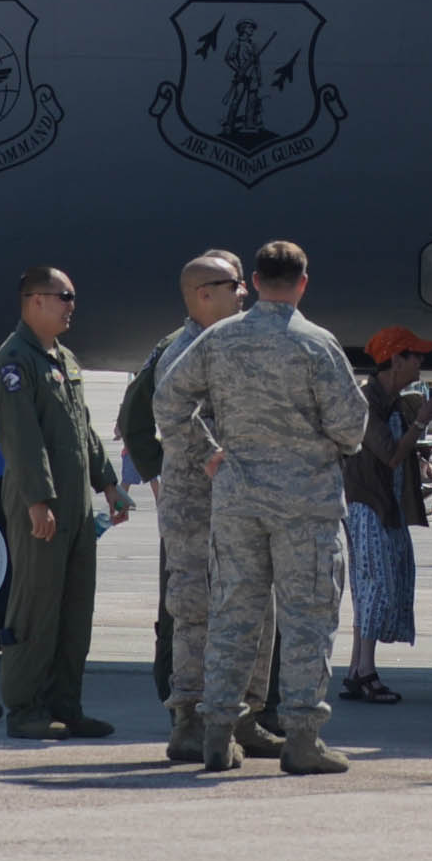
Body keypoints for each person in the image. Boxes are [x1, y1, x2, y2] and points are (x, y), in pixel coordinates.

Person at [169, 239, 370, 778]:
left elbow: (169, 400)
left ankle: (216, 733)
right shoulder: (316, 344)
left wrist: (209, 452)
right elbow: (351, 426)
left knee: (233, 613)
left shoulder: (217, 340)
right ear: (303, 283)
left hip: (237, 501)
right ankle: (302, 738)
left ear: (254, 281)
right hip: (304, 506)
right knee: (307, 619)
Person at [118, 251, 248, 762]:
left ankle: (238, 717)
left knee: (236, 611)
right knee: (195, 615)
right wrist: (163, 477)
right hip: (197, 506)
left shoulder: (225, 342)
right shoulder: (184, 350)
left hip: (226, 504)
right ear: (204, 294)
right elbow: (146, 415)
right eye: (235, 284)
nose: (245, 293)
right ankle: (189, 721)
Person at [0, 267, 125, 741]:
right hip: (40, 506)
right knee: (34, 610)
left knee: (74, 610)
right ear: (34, 300)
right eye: (63, 296)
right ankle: (25, 709)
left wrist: (108, 483)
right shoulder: (13, 361)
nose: (71, 306)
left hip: (77, 508)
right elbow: (22, 439)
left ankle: (67, 705)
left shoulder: (62, 357)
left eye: (73, 297)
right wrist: (38, 501)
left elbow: (81, 427)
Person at [339, 327, 432, 707]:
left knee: (379, 583)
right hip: (368, 506)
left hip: (386, 506)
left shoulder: (393, 401)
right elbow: (390, 454)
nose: (421, 363)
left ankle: (355, 670)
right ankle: (366, 672)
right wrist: (422, 421)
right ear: (396, 360)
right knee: (375, 584)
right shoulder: (366, 402)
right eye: (415, 356)